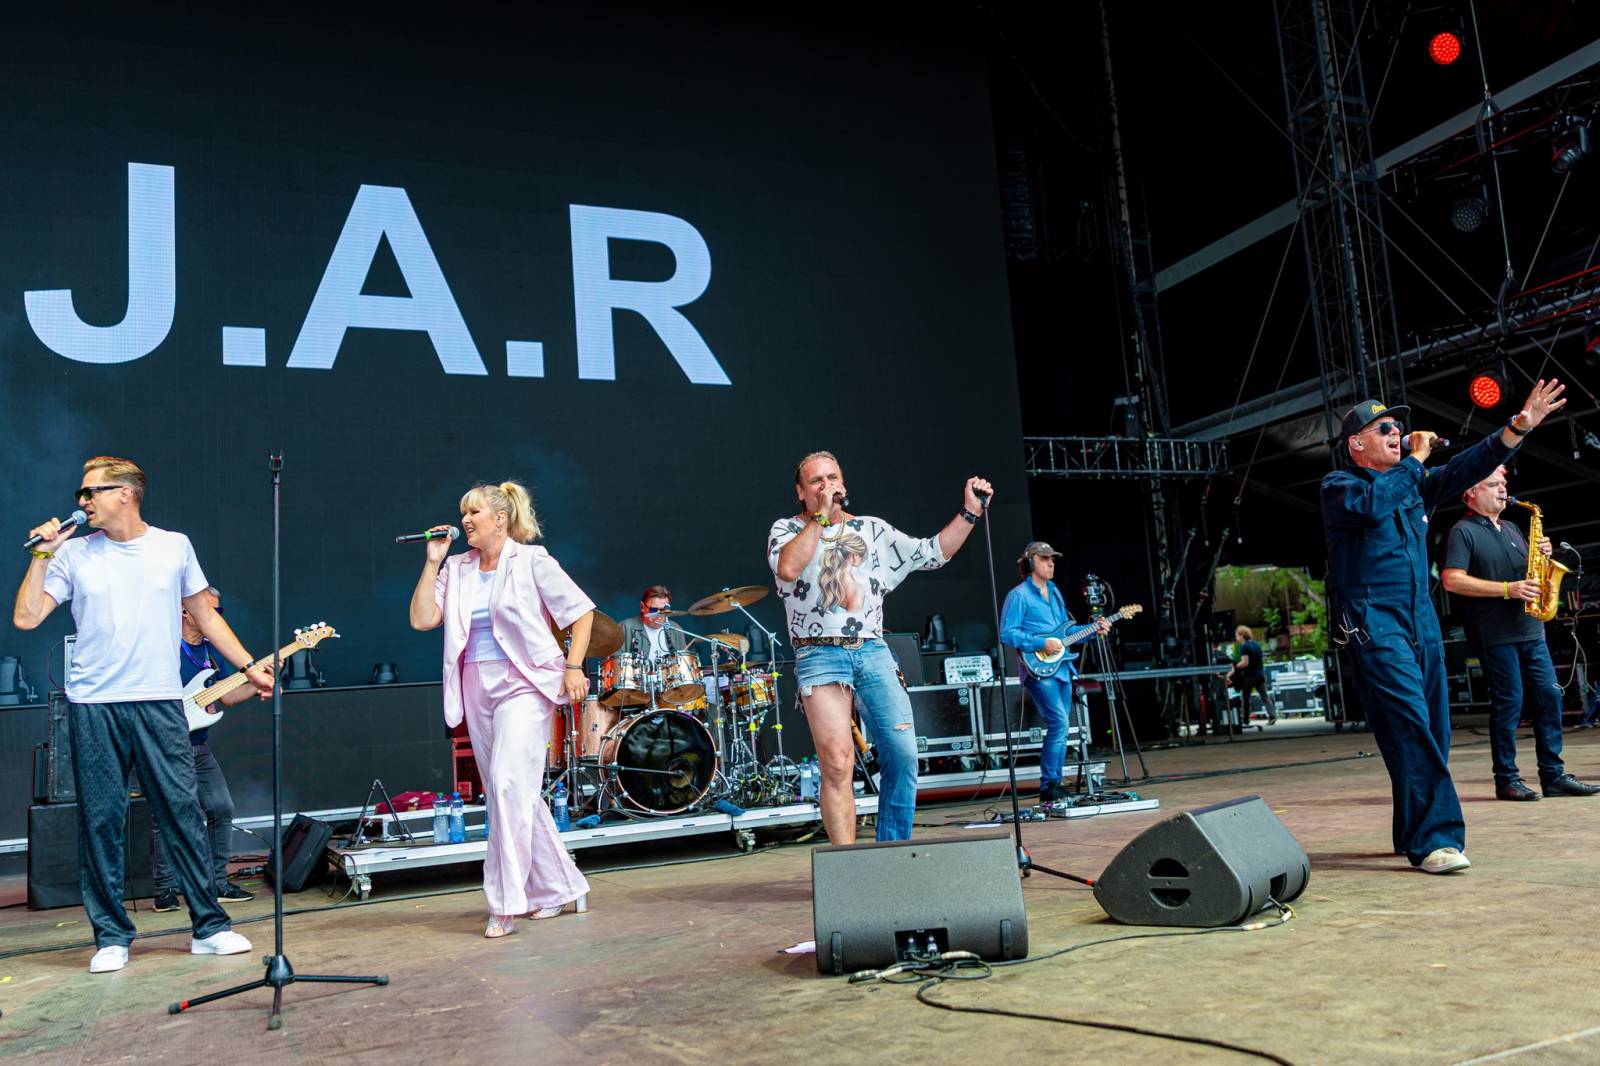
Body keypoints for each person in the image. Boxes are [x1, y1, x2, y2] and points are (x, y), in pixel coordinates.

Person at [13, 457, 269, 973]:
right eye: (82, 493)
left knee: (182, 812)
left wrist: (248, 667)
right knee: (101, 820)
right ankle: (111, 937)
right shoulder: (74, 553)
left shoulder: (173, 546)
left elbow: (205, 615)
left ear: (125, 494)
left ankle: (209, 927)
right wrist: (42, 555)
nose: (82, 502)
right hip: (94, 705)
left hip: (159, 701)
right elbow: (27, 616)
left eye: (92, 492)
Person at [1320, 381, 1565, 875]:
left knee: (1433, 727)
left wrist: (1517, 428)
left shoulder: (1414, 484)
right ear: (1357, 444)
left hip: (1420, 615)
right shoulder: (1340, 486)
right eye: (1384, 429)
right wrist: (1415, 460)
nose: (1397, 432)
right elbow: (1374, 506)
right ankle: (1436, 839)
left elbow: (1468, 466)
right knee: (1409, 722)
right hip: (1373, 619)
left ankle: (1411, 830)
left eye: (1399, 426)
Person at [768, 450, 992, 844]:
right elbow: (788, 568)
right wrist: (821, 517)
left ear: (844, 484)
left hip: (872, 650)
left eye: (832, 478)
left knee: (903, 755)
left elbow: (932, 553)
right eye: (816, 481)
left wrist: (970, 512)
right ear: (801, 493)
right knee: (838, 764)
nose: (826, 486)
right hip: (819, 653)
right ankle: (846, 866)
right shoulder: (786, 529)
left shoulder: (872, 530)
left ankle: (892, 855)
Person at [409, 480, 593, 939]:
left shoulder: (531, 560)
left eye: (474, 512)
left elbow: (581, 612)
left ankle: (505, 902)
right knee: (509, 792)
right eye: (463, 512)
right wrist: (432, 561)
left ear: (500, 518)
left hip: (524, 683)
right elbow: (423, 619)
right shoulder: (457, 567)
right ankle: (562, 886)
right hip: (477, 684)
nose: (465, 520)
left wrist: (573, 666)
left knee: (509, 783)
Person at [1440, 467, 1598, 801]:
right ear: (1470, 493)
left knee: (1549, 697)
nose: (1502, 489)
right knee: (1510, 702)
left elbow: (1529, 574)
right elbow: (1452, 580)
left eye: (1503, 484)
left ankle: (1553, 776)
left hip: (1530, 629)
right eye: (1493, 485)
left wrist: (1543, 557)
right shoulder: (1462, 531)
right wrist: (1507, 589)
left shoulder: (1512, 527)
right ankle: (1507, 779)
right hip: (1494, 633)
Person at [149, 586, 257, 911]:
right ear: (186, 611)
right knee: (168, 814)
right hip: (165, 744)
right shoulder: (164, 646)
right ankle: (165, 890)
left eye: (218, 612)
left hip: (198, 745)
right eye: (212, 611)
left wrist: (259, 681)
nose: (216, 617)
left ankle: (216, 883)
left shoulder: (210, 650)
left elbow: (227, 696)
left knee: (221, 808)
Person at [1000, 542, 1110, 801]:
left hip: (1061, 668)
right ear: (1029, 562)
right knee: (1059, 722)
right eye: (1044, 559)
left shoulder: (1055, 591)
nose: (1051, 563)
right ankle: (1049, 786)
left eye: (1052, 559)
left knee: (1060, 726)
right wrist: (1041, 643)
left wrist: (1093, 629)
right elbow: (1007, 633)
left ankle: (1053, 785)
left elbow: (1066, 633)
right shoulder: (1019, 596)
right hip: (1038, 669)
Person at [619, 584, 689, 662]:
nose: (659, 615)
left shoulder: (676, 629)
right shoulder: (625, 627)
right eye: (653, 610)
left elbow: (684, 665)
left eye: (663, 610)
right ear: (642, 606)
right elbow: (615, 664)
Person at [1225, 625, 1276, 727]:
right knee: (1264, 696)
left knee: (1246, 698)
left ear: (1242, 635)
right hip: (1260, 675)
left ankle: (1245, 720)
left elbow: (1245, 663)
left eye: (1237, 635)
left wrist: (1235, 666)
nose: (1237, 638)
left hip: (1249, 677)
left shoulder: (1244, 647)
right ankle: (1272, 716)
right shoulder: (1256, 645)